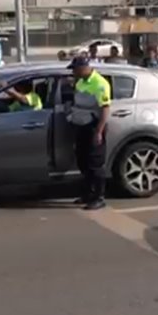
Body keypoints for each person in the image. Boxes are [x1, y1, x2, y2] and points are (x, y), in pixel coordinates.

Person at [67, 56, 111, 211]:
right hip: (81, 126)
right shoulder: (80, 82)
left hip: (94, 127)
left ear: (83, 68)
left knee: (95, 164)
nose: (73, 72)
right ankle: (87, 194)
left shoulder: (100, 84)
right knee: (83, 162)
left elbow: (105, 109)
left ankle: (99, 197)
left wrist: (98, 132)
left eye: (75, 69)